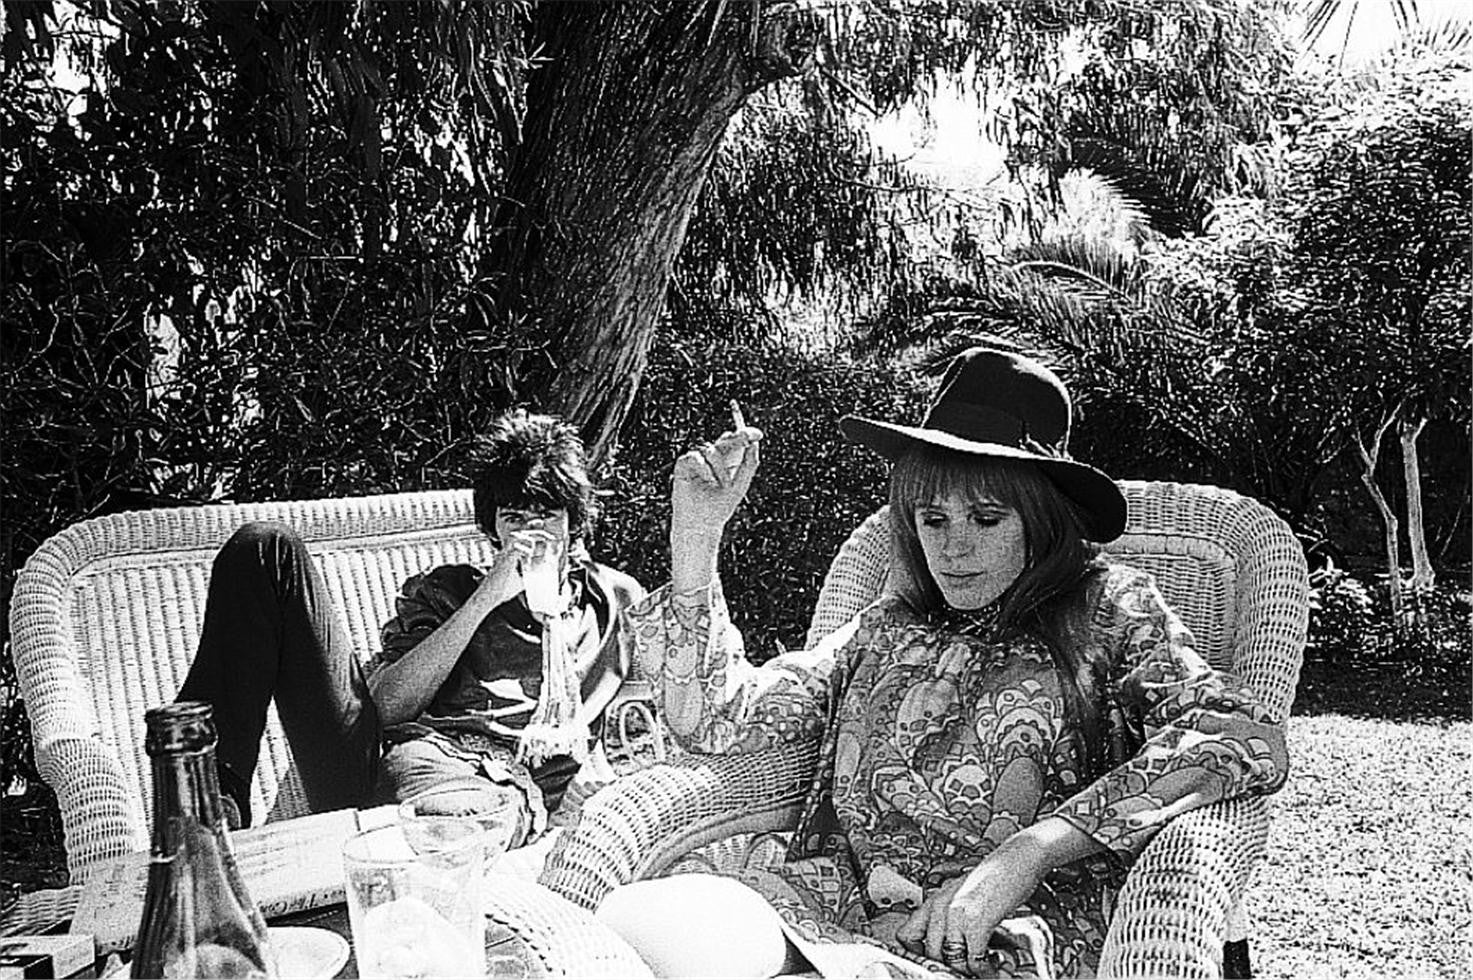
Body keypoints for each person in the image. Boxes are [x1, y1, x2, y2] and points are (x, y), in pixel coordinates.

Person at [594, 349, 1289, 978]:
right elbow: (718, 721)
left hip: (1001, 938)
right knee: (636, 923)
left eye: (985, 520)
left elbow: (1240, 739)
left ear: (1039, 517)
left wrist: (1030, 851)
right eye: (932, 520)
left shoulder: (1107, 608)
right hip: (834, 914)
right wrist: (696, 536)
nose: (953, 548)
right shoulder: (889, 622)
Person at [176, 409, 644, 846]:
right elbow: (384, 709)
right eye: (514, 517)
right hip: (388, 759)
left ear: (574, 522)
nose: (531, 531)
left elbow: (654, 712)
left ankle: (434, 833)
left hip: (482, 791)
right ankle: (206, 807)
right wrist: (485, 600)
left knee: (456, 814)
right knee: (264, 548)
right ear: (493, 529)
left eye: (546, 515)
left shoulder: (610, 602)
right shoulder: (447, 591)